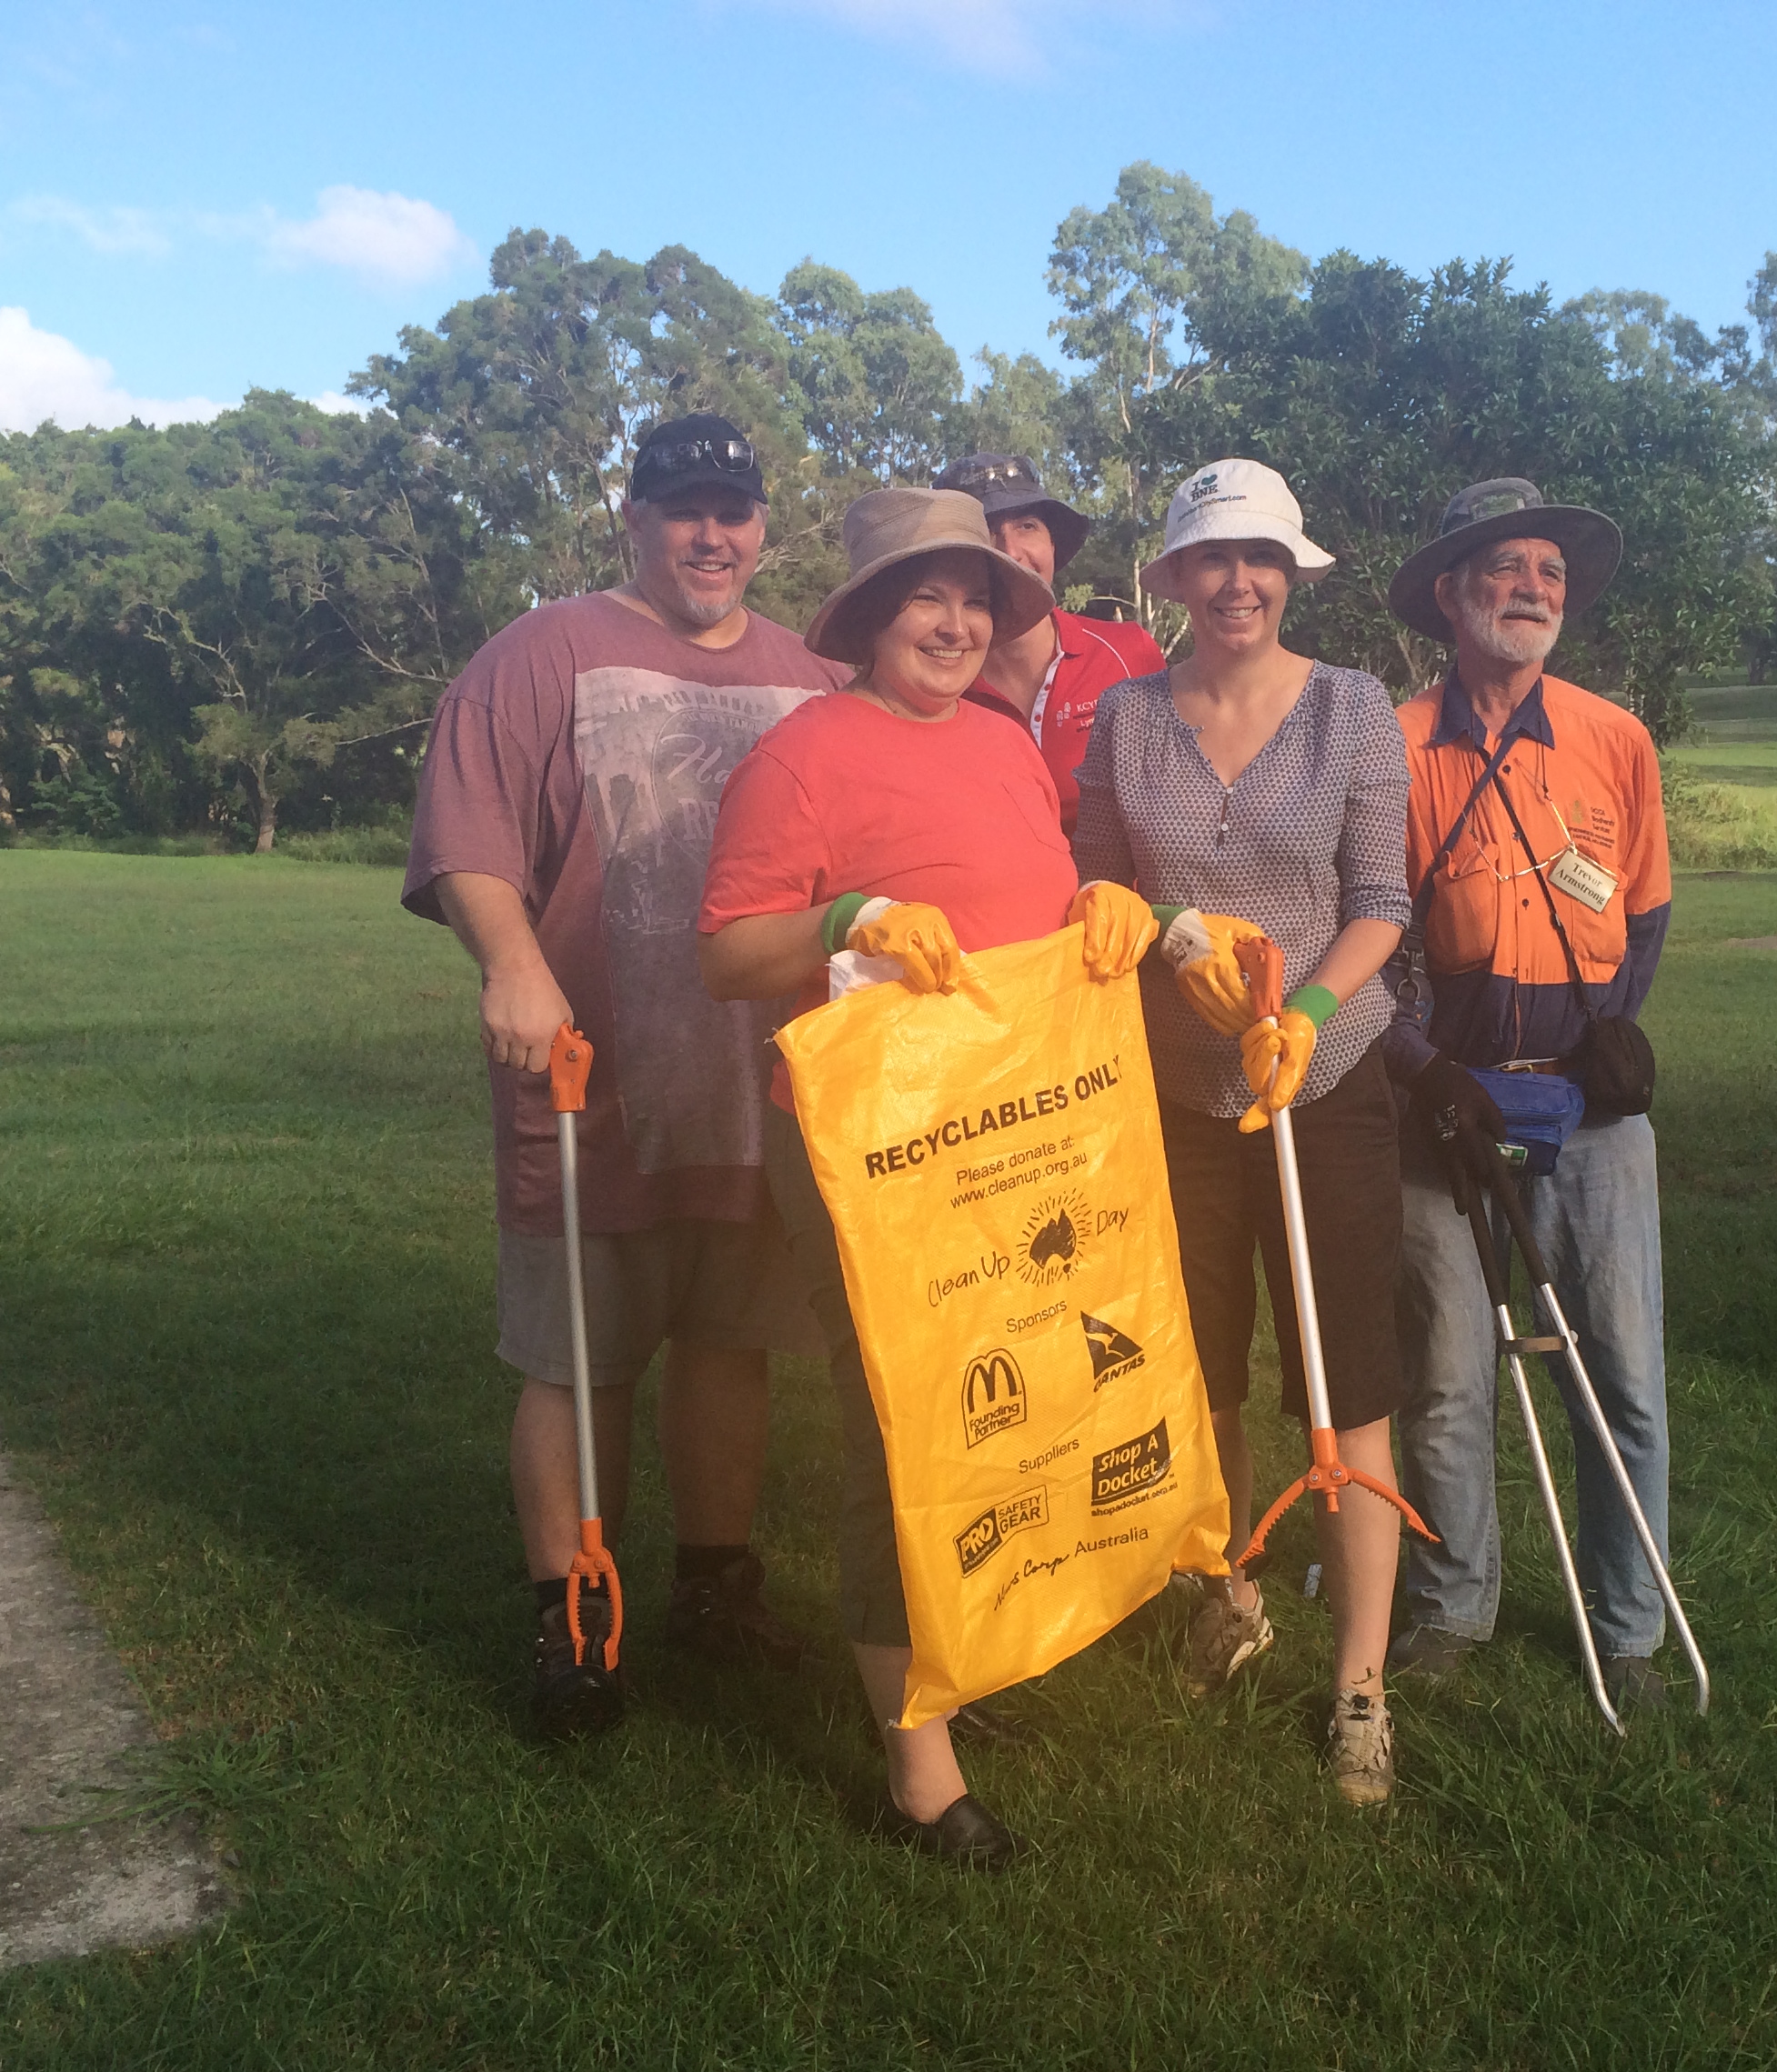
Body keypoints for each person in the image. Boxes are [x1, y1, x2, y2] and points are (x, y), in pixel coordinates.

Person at [698, 485, 1154, 1869]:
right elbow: (726, 952)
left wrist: (1096, 903)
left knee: (1025, 1399)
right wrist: (848, 917)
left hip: (1017, 1122)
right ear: (870, 618)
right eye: (926, 599)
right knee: (909, 1421)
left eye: (975, 600)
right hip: (875, 1142)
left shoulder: (1011, 744)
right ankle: (917, 1771)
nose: (957, 623)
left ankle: (968, 1658)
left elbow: (1033, 883)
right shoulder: (802, 757)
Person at [405, 414, 846, 1741]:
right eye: (683, 510)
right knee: (575, 1357)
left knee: (733, 1340)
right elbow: (471, 834)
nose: (712, 535)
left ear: (765, 525)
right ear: (633, 521)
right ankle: (570, 1613)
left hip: (761, 1083)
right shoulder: (538, 656)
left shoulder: (811, 678)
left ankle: (715, 1587)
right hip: (595, 1075)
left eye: (735, 510)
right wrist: (508, 961)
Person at [1072, 458, 1417, 1806]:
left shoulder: (1353, 708)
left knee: (1347, 1383)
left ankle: (1360, 1683)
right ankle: (1229, 1596)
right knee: (1196, 1369)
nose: (1238, 583)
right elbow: (1098, 879)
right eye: (1212, 561)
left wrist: (1310, 1009)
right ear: (1173, 579)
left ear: (1291, 574)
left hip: (1325, 1087)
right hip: (1175, 1092)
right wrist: (1167, 936)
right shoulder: (1126, 718)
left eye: (1261, 559)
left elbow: (1380, 897)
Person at [1374, 479, 1684, 1712]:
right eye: (1503, 568)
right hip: (1442, 1108)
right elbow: (1369, 944)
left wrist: (1616, 1030)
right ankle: (1453, 1609)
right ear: (1450, 595)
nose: (1531, 590)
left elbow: (1645, 912)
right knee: (1448, 1377)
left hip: (1592, 1115)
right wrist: (1424, 1071)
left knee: (1625, 1380)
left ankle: (1630, 1629)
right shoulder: (1390, 747)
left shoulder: (1618, 741)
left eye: (1550, 573)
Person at [934, 450, 1167, 835]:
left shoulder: (1128, 653)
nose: (1010, 551)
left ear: (1053, 545)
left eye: (1027, 526)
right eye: (987, 532)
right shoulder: (935, 683)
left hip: (1126, 895)